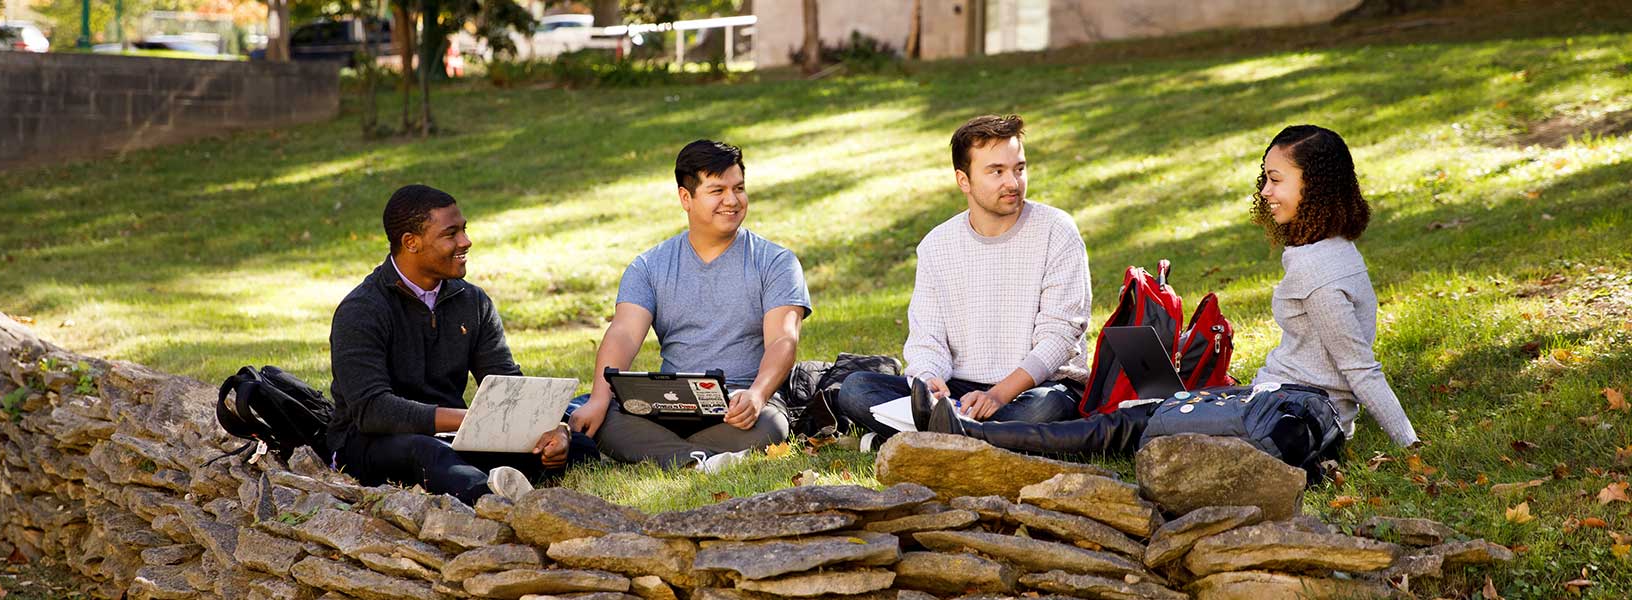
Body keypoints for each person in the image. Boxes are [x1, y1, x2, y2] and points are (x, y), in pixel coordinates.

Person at [919, 124, 1420, 453]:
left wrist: (1409, 444)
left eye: (1275, 179)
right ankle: (960, 424)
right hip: (1274, 400)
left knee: (1129, 421)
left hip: (1287, 412)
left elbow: (1360, 367)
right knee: (1151, 406)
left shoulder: (1319, 272)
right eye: (1265, 179)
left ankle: (980, 436)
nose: (1264, 192)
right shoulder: (1330, 254)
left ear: (1315, 188)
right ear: (964, 180)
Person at [326, 184, 598, 505]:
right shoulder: (361, 310)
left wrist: (554, 430)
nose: (465, 242)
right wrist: (473, 419)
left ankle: (494, 477)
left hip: (453, 435)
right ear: (410, 243)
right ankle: (491, 495)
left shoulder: (472, 301)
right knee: (430, 454)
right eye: (450, 234)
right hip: (372, 441)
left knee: (578, 447)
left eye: (464, 230)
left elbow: (507, 383)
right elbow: (373, 410)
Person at [834, 114, 1092, 446]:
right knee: (856, 388)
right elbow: (927, 338)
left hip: (1032, 388)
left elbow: (1060, 337)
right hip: (959, 391)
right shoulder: (936, 246)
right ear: (964, 180)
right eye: (997, 171)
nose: (1012, 182)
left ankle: (918, 438)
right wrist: (929, 381)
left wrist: (999, 395)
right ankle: (967, 435)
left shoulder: (1057, 230)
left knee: (1046, 409)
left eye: (1019, 168)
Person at [568, 140, 811, 470]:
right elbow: (623, 333)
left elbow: (784, 339)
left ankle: (665, 454)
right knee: (584, 412)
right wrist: (599, 398)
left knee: (771, 427)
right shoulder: (649, 266)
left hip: (739, 406)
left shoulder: (776, 262)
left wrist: (757, 394)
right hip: (668, 404)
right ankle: (697, 458)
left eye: (738, 188)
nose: (732, 200)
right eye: (717, 190)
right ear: (686, 198)